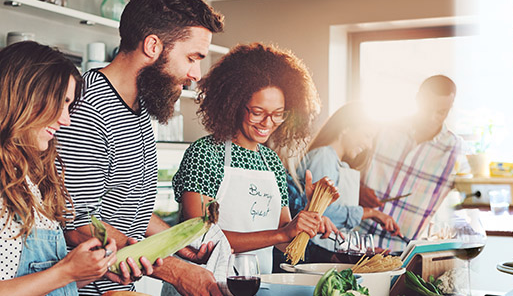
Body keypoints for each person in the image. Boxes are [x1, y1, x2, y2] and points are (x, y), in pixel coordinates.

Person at [54, 0, 226, 295]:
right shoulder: (87, 110)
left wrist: (175, 241)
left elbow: (128, 206)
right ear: (152, 46)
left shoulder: (140, 108)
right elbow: (77, 223)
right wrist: (175, 271)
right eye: (192, 57)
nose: (196, 75)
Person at [173, 42, 341, 275]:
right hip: (200, 286)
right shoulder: (205, 154)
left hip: (255, 284)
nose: (267, 123)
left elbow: (284, 243)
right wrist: (282, 233)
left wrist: (310, 216)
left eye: (277, 114)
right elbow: (198, 239)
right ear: (233, 104)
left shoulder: (271, 162)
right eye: (258, 112)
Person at [0, 41, 119, 295]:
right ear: (23, 97)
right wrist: (66, 271)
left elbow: (45, 285)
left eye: (69, 105)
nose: (66, 119)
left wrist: (94, 269)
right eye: (60, 102)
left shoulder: (29, 180)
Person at [359, 75, 465, 251]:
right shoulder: (384, 128)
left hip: (404, 250)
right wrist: (357, 189)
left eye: (441, 112)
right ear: (418, 99)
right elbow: (347, 166)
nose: (432, 118)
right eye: (427, 108)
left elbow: (471, 193)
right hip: (356, 240)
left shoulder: (455, 150)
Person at [285, 102, 400, 259]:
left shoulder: (339, 163)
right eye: (367, 136)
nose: (368, 145)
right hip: (314, 253)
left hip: (328, 250)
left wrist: (358, 247)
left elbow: (334, 226)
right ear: (345, 127)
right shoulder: (324, 156)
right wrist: (371, 213)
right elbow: (320, 214)